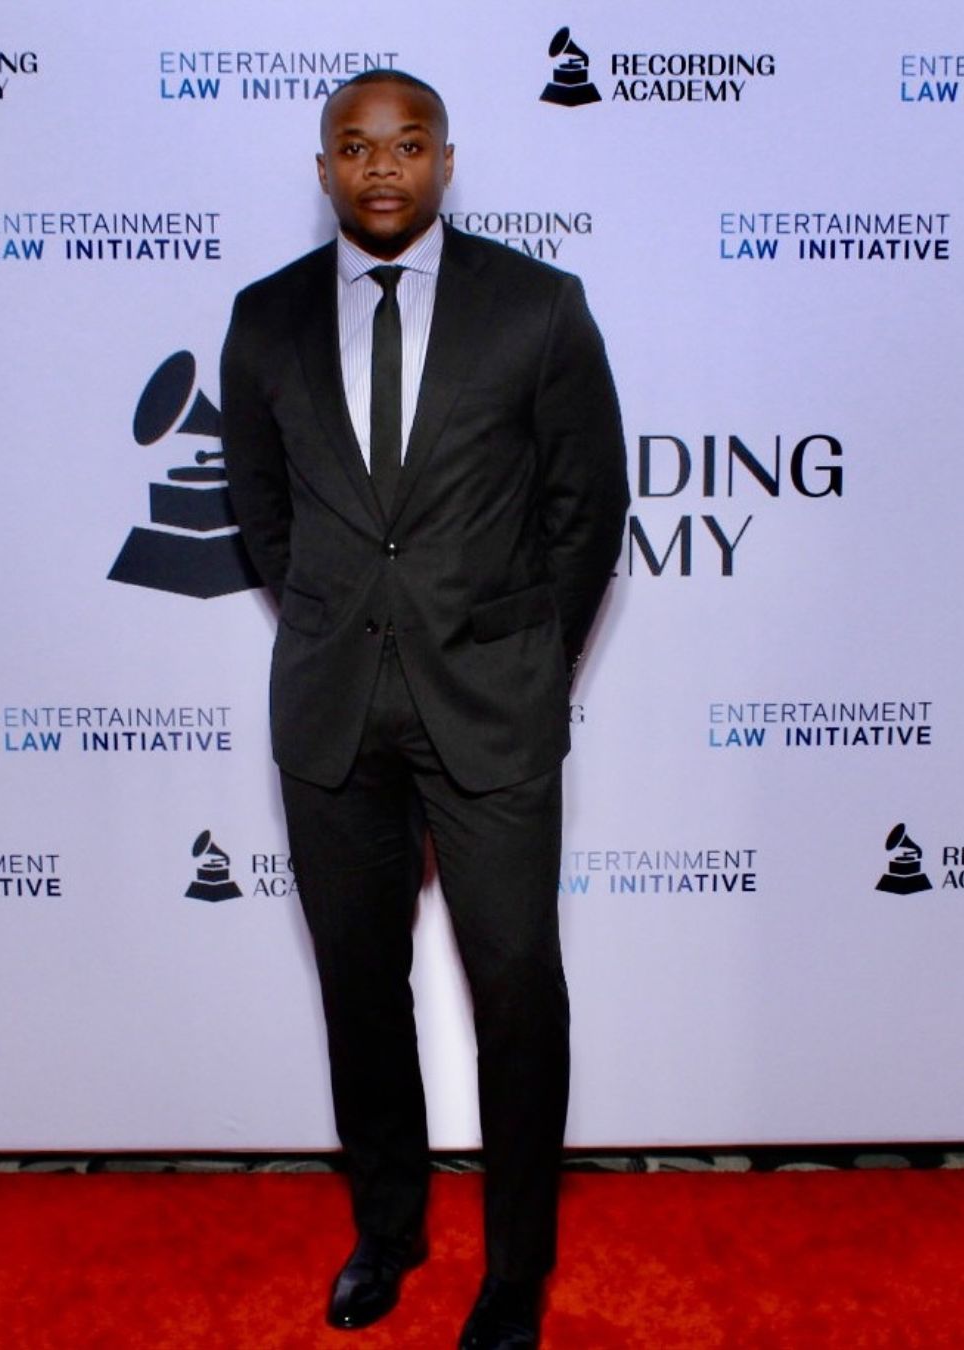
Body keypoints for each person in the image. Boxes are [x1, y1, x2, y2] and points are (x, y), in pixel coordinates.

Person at [221, 68, 628, 1350]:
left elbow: (588, 508)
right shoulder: (265, 320)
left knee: (517, 990)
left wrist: (518, 656)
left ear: (447, 161)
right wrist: (347, 626)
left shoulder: (540, 309)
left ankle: (515, 1276)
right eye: (354, 147)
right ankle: (388, 1232)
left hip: (492, 708)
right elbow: (266, 519)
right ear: (326, 166)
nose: (381, 168)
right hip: (335, 710)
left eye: (406, 146)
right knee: (359, 984)